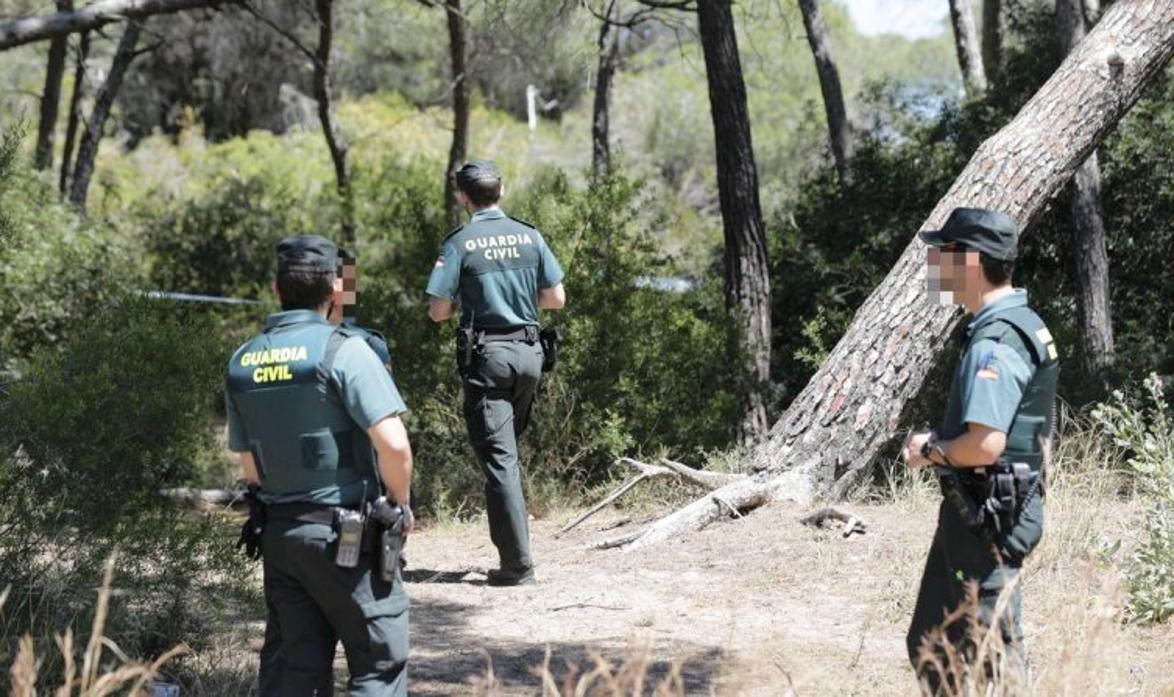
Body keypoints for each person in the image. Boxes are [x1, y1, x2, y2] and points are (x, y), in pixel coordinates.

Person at [227, 235, 414, 696]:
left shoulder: (242, 361)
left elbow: (250, 468)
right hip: (346, 536)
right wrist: (400, 506)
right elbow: (394, 446)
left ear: (276, 288)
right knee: (377, 665)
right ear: (335, 288)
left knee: (294, 671)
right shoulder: (346, 351)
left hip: (281, 537)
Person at [902, 208, 1059, 693]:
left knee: (996, 666)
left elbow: (985, 445)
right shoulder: (1014, 322)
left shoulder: (999, 338)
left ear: (970, 263)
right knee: (932, 642)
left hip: (990, 520)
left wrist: (928, 449)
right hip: (973, 515)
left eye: (942, 254)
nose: (934, 266)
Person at [425, 159, 566, 586]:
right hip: (530, 354)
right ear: (501, 192)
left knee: (500, 461)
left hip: (489, 358)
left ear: (463, 197)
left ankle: (518, 566)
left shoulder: (460, 242)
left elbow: (437, 312)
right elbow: (555, 298)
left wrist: (475, 300)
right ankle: (514, 547)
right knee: (505, 454)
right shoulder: (529, 235)